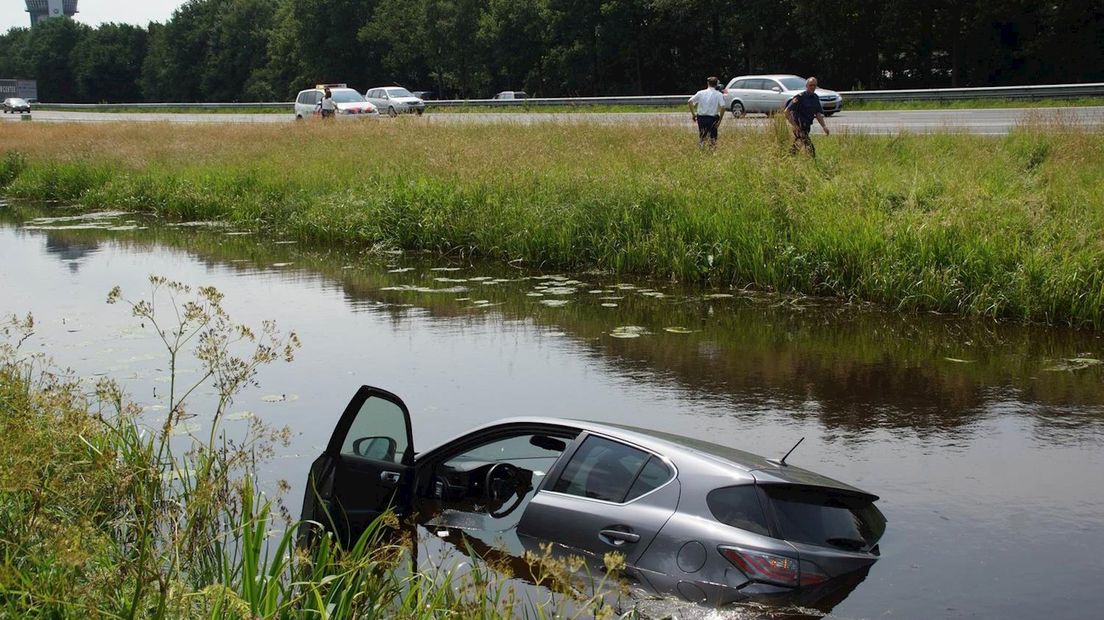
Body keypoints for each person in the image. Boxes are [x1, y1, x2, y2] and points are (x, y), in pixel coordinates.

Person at [784, 77, 830, 156]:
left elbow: (818, 114)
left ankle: (787, 159)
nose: (813, 87)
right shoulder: (800, 97)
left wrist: (824, 126)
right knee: (810, 148)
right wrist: (795, 126)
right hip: (799, 127)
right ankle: (813, 163)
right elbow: (786, 112)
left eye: (814, 85)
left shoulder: (815, 98)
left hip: (807, 126)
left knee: (796, 146)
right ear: (807, 86)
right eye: (811, 85)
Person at [688, 76, 726, 150]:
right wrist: (720, 120)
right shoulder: (719, 94)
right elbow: (723, 107)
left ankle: (701, 150)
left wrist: (693, 114)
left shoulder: (701, 93)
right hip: (712, 118)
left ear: (708, 83)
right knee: (713, 137)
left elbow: (690, 101)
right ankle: (712, 152)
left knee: (702, 136)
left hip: (701, 118)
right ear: (716, 84)